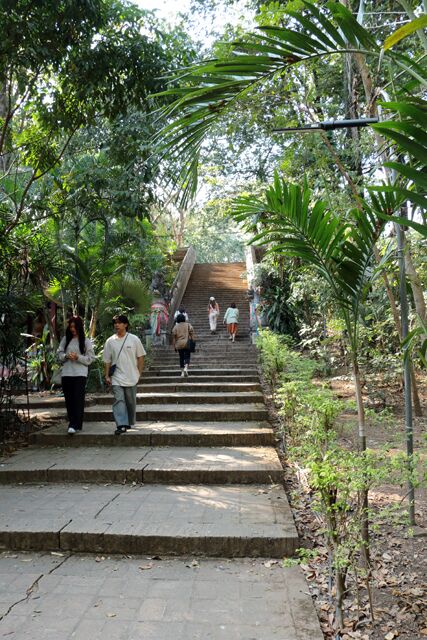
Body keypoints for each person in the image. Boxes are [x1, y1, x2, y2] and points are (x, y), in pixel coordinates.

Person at [103, 314, 146, 435]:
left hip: (132, 376)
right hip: (116, 376)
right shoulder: (110, 341)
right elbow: (107, 360)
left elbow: (141, 356)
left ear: (125, 324)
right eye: (115, 323)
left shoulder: (134, 339)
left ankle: (129, 421)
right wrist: (107, 375)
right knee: (118, 400)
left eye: (119, 322)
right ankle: (121, 424)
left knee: (130, 402)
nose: (116, 325)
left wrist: (139, 373)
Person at [57, 316, 95, 435]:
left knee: (78, 399)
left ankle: (75, 424)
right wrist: (66, 356)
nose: (72, 329)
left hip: (80, 374)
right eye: (71, 326)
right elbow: (59, 354)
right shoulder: (65, 339)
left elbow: (90, 359)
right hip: (67, 373)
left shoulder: (86, 341)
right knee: (69, 400)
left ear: (79, 327)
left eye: (74, 326)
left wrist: (78, 357)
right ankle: (73, 423)